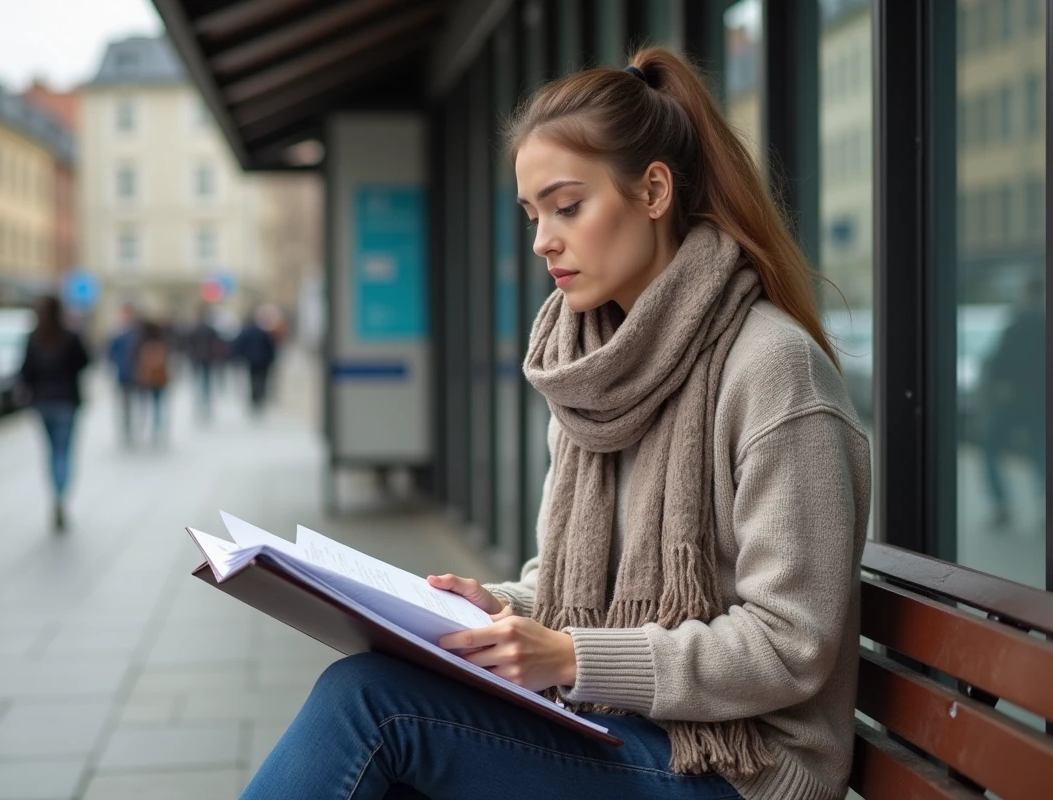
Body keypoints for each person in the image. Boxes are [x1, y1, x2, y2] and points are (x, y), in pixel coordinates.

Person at [241, 49, 872, 800]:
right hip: (632, 731)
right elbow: (572, 590)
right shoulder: (590, 372)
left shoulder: (771, 368)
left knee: (372, 708)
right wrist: (499, 610)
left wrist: (570, 656)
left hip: (743, 767)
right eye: (533, 213)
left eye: (567, 206)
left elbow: (789, 643)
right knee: (384, 704)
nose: (542, 239)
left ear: (654, 191)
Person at [18, 295, 91, 532]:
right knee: (64, 452)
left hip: (42, 402)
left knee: (51, 451)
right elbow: (85, 361)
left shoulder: (34, 338)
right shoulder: (70, 336)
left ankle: (55, 495)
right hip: (66, 401)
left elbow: (26, 371)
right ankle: (60, 497)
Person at [979, 278, 1046, 528]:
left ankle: (1001, 503)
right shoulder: (1043, 325)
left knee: (990, 449)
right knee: (1040, 453)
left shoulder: (1016, 325)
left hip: (1011, 402)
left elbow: (997, 364)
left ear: (1026, 295)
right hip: (1039, 404)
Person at [132, 319, 171, 446]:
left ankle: (142, 426)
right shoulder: (162, 340)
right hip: (159, 379)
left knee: (143, 404)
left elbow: (135, 358)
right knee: (157, 404)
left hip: (146, 379)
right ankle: (157, 428)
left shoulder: (141, 340)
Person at [106, 304, 140, 447]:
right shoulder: (118, 334)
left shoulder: (137, 333)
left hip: (137, 374)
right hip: (123, 374)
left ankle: (133, 424)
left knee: (135, 401)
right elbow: (110, 353)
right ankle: (127, 426)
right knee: (125, 402)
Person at [231, 310, 277, 414]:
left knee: (253, 380)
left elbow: (239, 345)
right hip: (263, 360)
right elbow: (270, 346)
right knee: (262, 379)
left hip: (251, 360)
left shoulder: (247, 332)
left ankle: (255, 398)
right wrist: (272, 358)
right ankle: (260, 397)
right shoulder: (263, 332)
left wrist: (239, 357)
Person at [185, 304, 222, 423]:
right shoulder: (209, 329)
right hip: (207, 359)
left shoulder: (193, 329)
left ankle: (200, 404)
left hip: (197, 359)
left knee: (198, 382)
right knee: (206, 382)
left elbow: (188, 345)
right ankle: (205, 404)